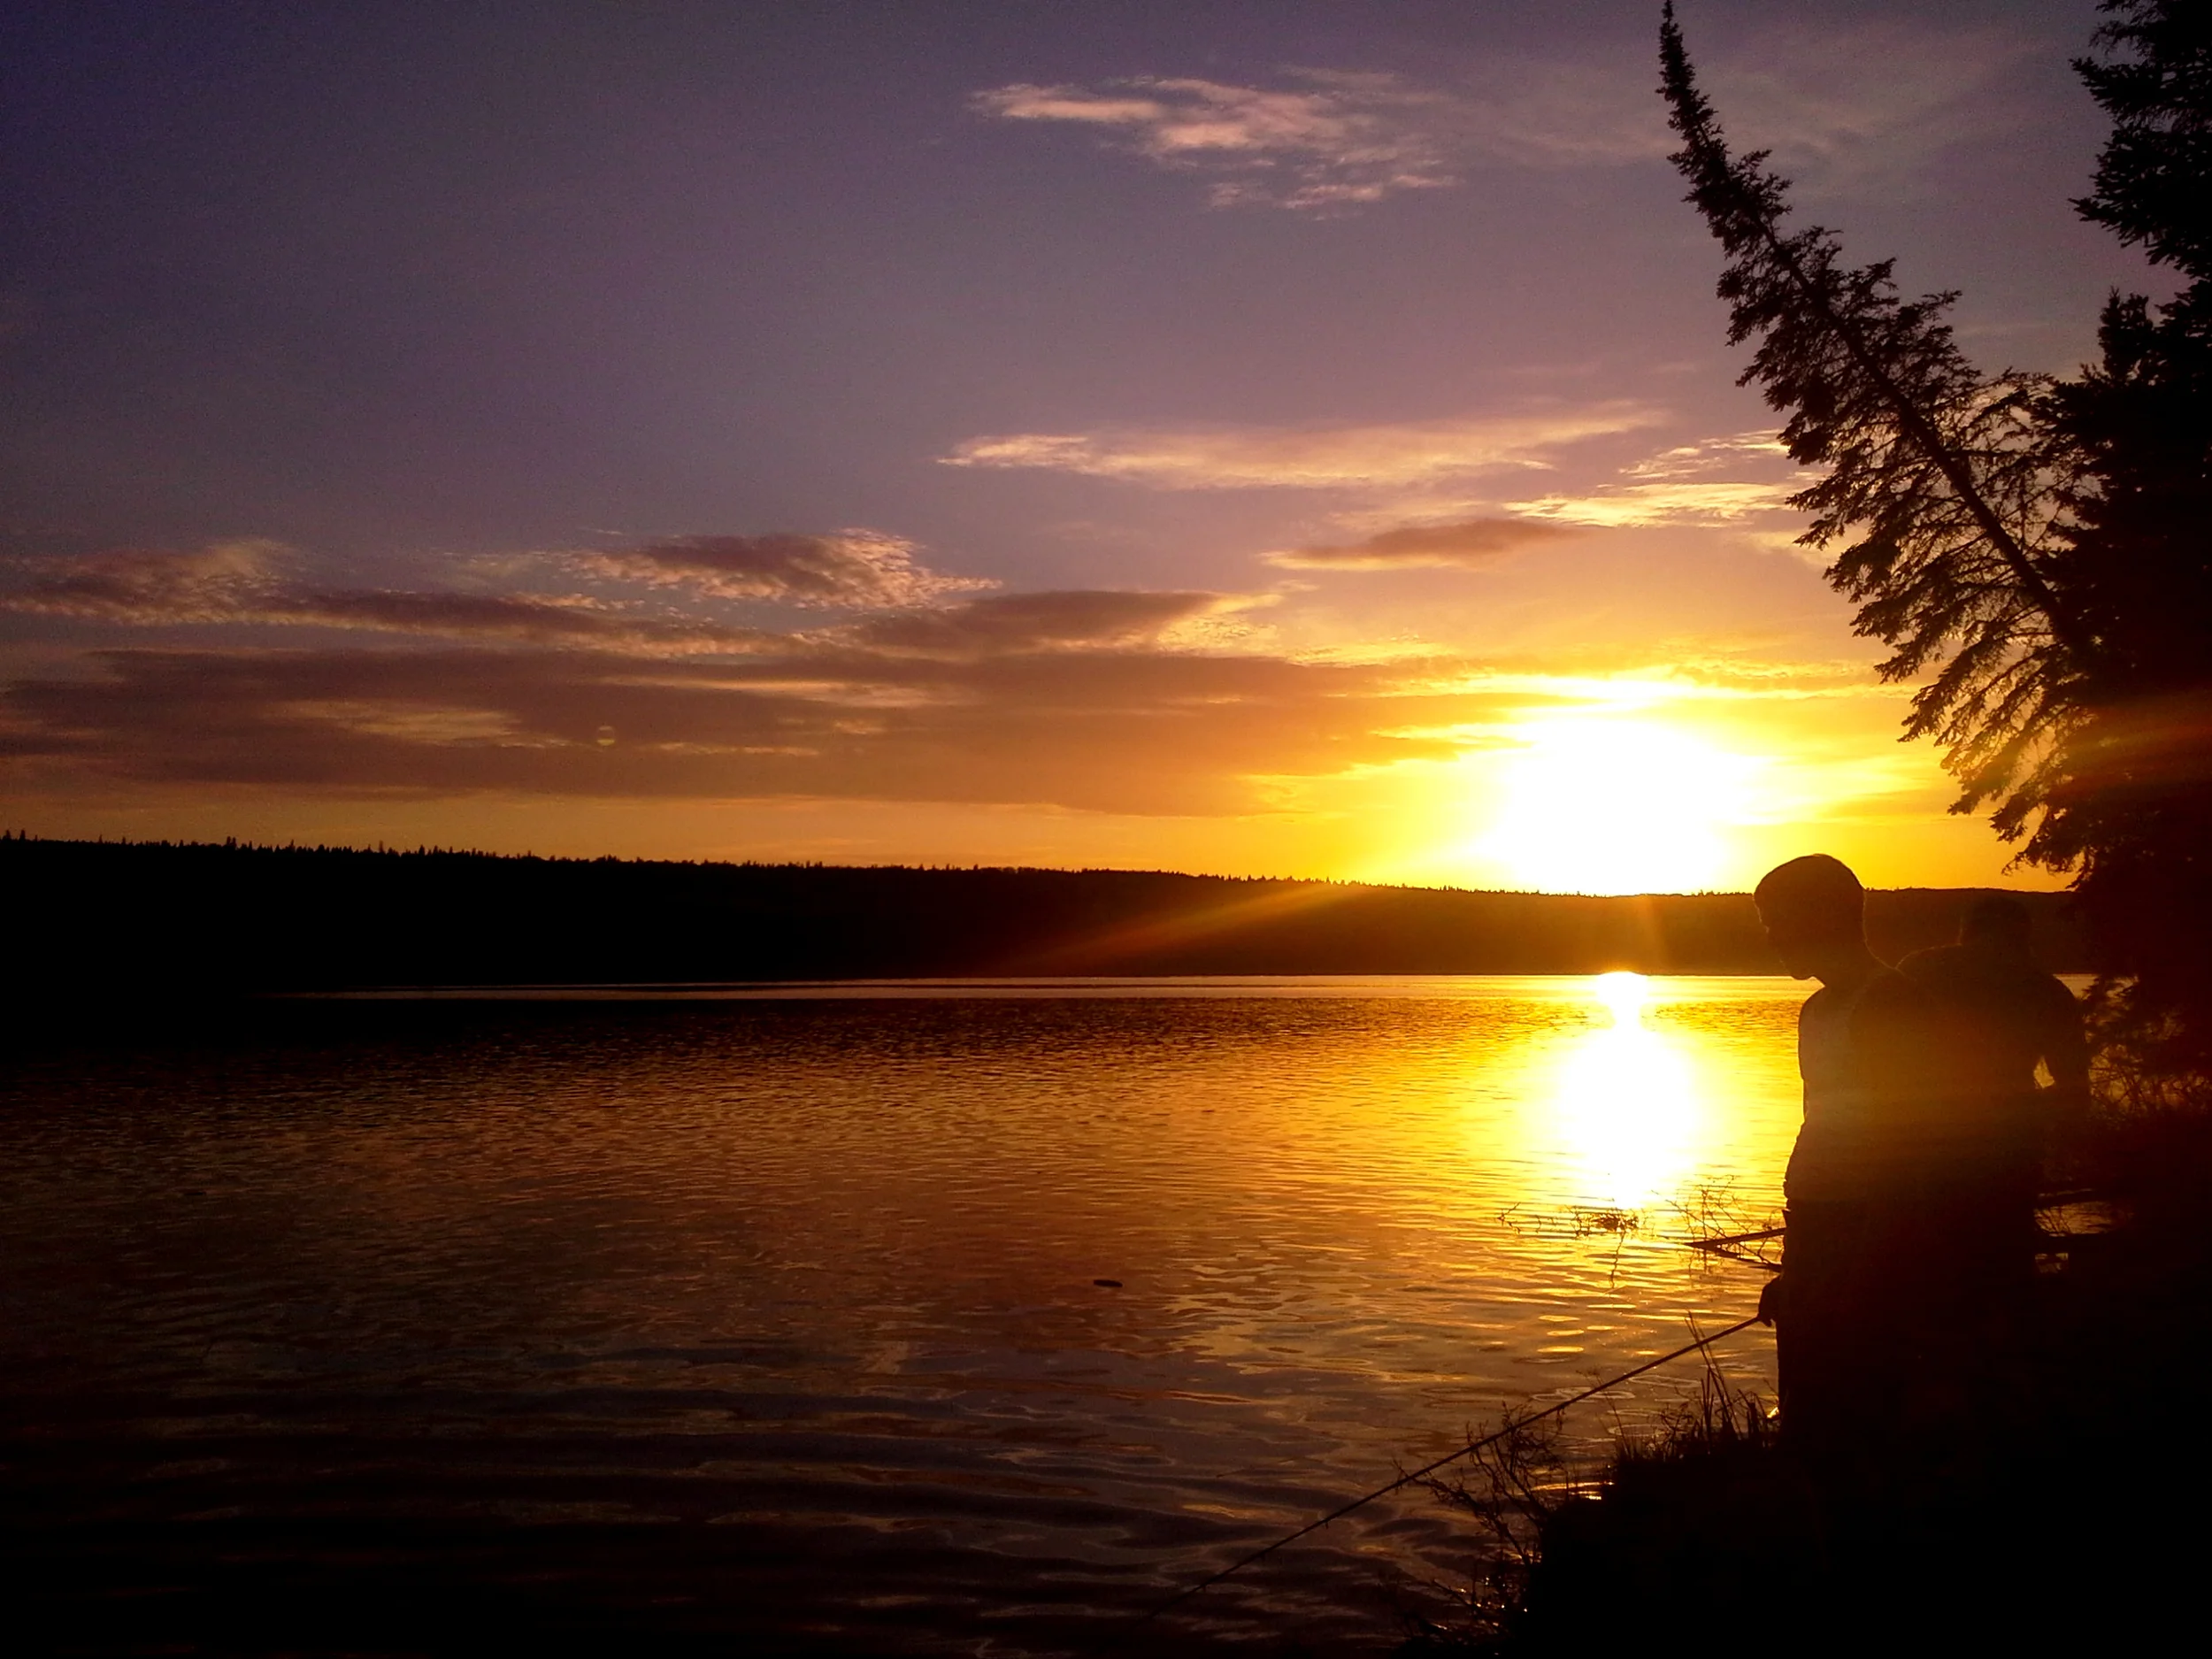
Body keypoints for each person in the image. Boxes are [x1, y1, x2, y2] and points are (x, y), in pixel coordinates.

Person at [1752, 854, 1949, 1459]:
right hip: (1815, 1229)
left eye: (1775, 919)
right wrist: (1797, 1270)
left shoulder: (1892, 1002)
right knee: (1808, 1423)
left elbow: (1913, 1154)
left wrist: (1866, 1271)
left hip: (1866, 1234)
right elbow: (1824, 1126)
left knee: (1859, 1424)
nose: (1769, 935)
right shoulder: (1818, 1008)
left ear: (1822, 915)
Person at [1900, 895, 2089, 1294]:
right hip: (2009, 1153)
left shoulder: (1919, 969)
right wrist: (2034, 1112)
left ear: (1966, 932)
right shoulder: (2045, 989)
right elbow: (2075, 1090)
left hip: (1919, 1149)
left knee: (1924, 1270)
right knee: (1999, 1269)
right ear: (2022, 935)